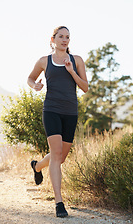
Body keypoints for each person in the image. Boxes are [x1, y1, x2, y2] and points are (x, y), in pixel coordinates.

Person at [27, 26, 88, 218]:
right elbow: (30, 78)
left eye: (67, 37)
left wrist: (71, 71)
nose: (64, 40)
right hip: (51, 110)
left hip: (70, 112)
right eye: (61, 36)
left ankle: (37, 166)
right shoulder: (44, 61)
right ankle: (59, 203)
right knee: (56, 154)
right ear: (52, 39)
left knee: (60, 157)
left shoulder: (76, 60)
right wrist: (34, 85)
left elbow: (85, 87)